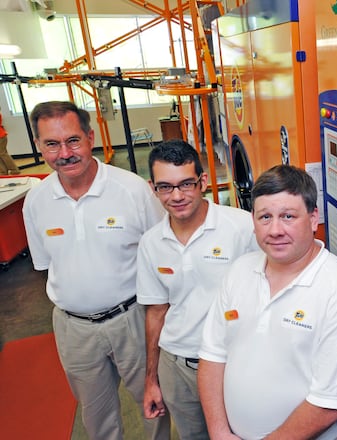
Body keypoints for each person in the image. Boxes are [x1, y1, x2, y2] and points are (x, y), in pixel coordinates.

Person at [21, 100, 170, 440]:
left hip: (132, 320)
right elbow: (46, 265)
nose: (65, 153)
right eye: (52, 144)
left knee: (153, 404)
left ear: (90, 138)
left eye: (73, 140)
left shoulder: (131, 190)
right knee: (96, 415)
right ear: (39, 146)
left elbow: (162, 254)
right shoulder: (36, 202)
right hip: (73, 329)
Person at [198, 164, 337, 439]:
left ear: (313, 218)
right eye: (265, 217)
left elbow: (330, 403)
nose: (275, 230)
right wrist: (219, 432)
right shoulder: (239, 271)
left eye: (288, 216)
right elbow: (212, 356)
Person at [136, 139, 258, 439]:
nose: (177, 196)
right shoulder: (151, 243)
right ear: (153, 188)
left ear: (202, 182)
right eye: (165, 187)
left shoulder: (242, 227)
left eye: (186, 184)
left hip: (232, 364)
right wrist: (151, 379)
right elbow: (156, 312)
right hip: (177, 366)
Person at [0, 106, 21, 175]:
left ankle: (14, 170)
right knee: (2, 154)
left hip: (1, 136)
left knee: (3, 154)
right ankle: (3, 172)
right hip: (1, 135)